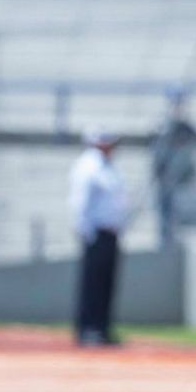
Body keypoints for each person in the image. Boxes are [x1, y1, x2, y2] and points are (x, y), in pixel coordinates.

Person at [69, 129, 129, 346]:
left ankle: (102, 328)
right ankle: (88, 328)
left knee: (106, 283)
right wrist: (86, 231)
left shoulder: (108, 167)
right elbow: (80, 202)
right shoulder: (89, 166)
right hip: (96, 233)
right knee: (92, 283)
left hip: (111, 233)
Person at [151, 91, 196, 248]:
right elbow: (158, 160)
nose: (178, 108)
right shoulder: (163, 128)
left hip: (184, 186)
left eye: (181, 104)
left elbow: (195, 150)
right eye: (175, 104)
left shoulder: (188, 128)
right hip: (168, 187)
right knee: (166, 228)